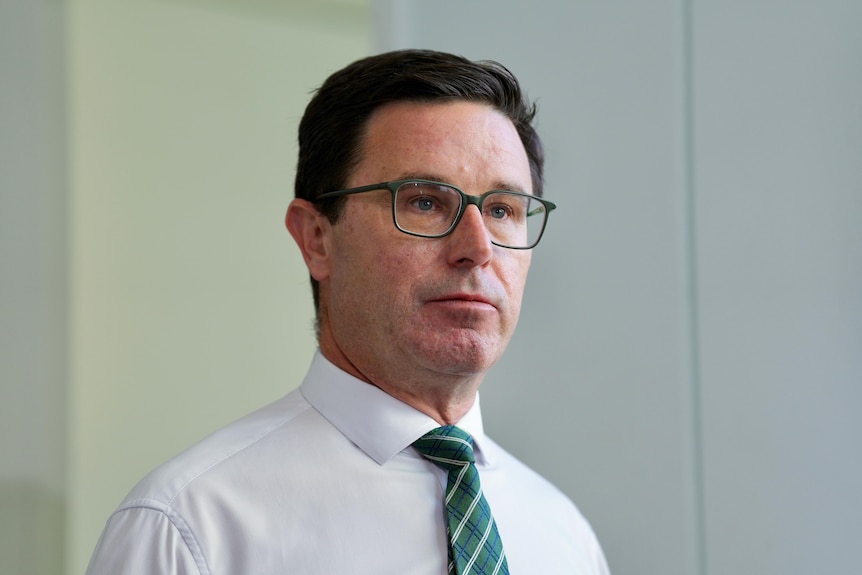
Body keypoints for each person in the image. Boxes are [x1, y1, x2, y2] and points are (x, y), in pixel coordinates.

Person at [86, 49, 611, 575]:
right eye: (424, 201)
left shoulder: (563, 536)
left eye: (502, 210)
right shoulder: (187, 528)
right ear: (317, 238)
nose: (478, 246)